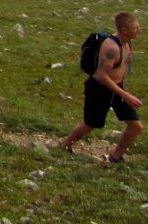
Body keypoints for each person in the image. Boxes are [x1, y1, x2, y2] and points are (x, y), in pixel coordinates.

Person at [59, 12, 143, 162]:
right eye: (136, 28)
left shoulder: (127, 43)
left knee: (136, 126)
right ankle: (65, 145)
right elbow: (101, 76)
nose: (139, 30)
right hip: (99, 89)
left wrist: (123, 91)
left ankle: (116, 156)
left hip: (117, 88)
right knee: (91, 123)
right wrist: (126, 96)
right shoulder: (112, 48)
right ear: (124, 30)